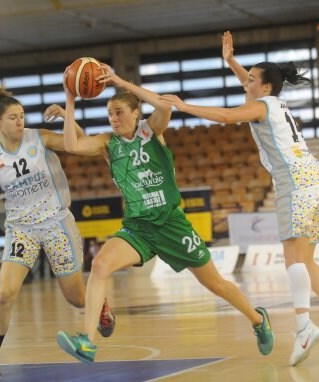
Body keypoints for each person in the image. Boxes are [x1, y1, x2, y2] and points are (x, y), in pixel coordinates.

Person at [55, 63, 275, 364]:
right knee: (100, 265)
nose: (114, 118)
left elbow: (164, 103)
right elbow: (71, 145)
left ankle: (257, 320)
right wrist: (70, 100)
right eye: (109, 114)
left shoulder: (152, 129)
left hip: (171, 224)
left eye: (119, 112)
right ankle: (88, 342)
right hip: (138, 227)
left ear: (135, 113)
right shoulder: (109, 144)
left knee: (215, 284)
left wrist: (121, 81)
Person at [160, 31, 319, 367]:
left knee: (292, 257)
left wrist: (182, 105)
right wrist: (231, 62)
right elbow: (250, 86)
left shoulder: (260, 106)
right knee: (307, 260)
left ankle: (304, 327)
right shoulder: (276, 101)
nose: (245, 82)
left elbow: (224, 117)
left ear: (264, 87)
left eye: (250, 79)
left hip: (294, 181)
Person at [0, 84, 116, 379]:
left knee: (76, 298)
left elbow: (80, 141)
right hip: (21, 229)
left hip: (56, 222)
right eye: (13, 117)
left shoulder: (39, 137)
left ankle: (99, 304)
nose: (20, 121)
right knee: (5, 294)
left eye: (22, 115)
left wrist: (67, 114)